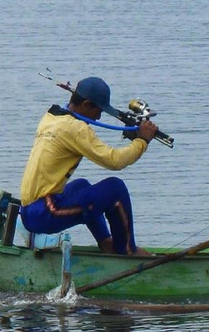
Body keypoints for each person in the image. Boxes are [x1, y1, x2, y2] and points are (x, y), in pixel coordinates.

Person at [19, 76, 158, 255]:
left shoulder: (51, 117)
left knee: (82, 185)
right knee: (115, 188)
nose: (98, 117)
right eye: (98, 111)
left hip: (29, 211)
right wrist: (142, 141)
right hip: (45, 213)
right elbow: (114, 161)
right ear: (85, 104)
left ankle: (105, 241)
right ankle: (127, 250)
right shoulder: (75, 129)